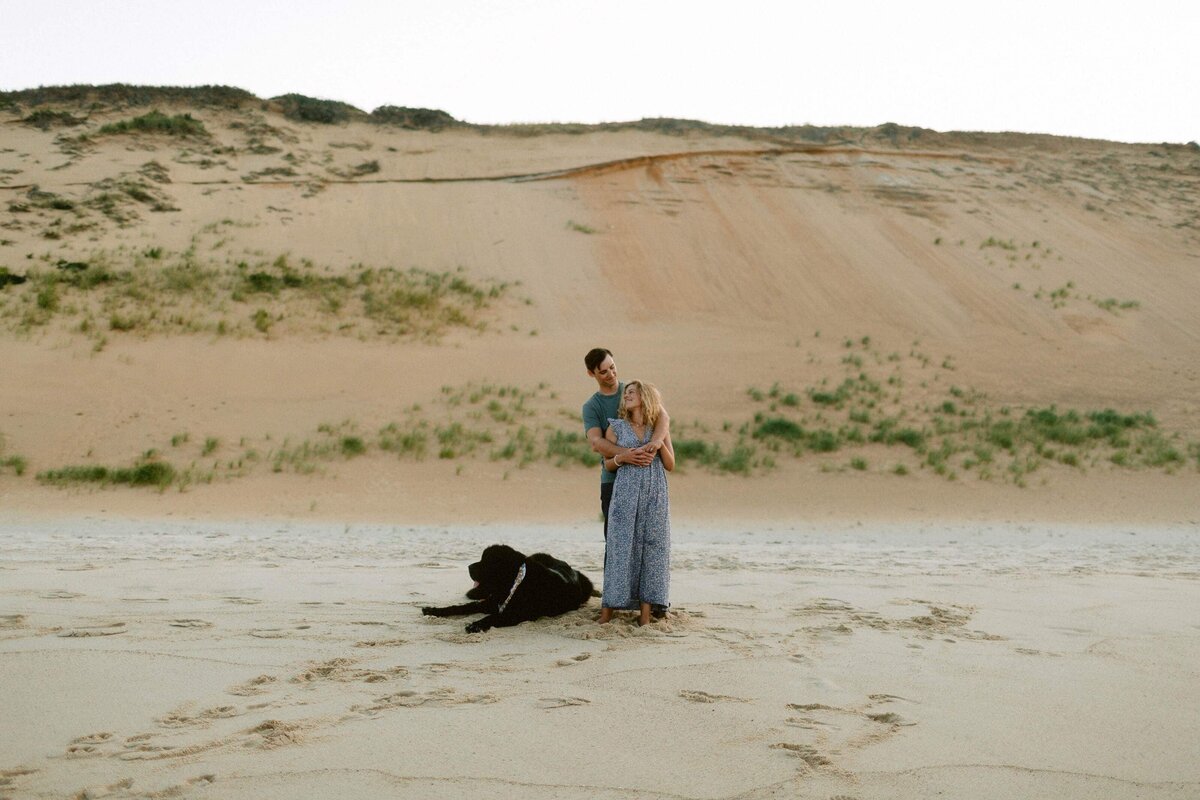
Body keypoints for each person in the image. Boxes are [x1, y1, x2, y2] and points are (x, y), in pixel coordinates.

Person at [598, 380, 674, 626]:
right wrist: (623, 457)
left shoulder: (658, 429)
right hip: (626, 493)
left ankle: (645, 616)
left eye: (633, 392)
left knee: (653, 550)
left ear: (645, 396)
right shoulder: (617, 427)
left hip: (655, 493)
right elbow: (607, 463)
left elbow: (671, 464)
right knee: (620, 548)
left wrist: (658, 443)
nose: (627, 396)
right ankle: (607, 612)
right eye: (626, 393)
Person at [581, 349, 669, 539]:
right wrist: (627, 454)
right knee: (615, 543)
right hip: (613, 481)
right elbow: (596, 442)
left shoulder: (632, 390)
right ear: (591, 374)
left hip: (646, 482)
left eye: (612, 367)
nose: (611, 374)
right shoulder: (591, 406)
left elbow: (663, 416)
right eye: (603, 372)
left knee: (645, 542)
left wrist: (657, 441)